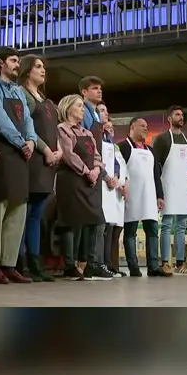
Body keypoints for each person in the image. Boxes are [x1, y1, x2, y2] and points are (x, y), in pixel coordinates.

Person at [0, 46, 36, 284]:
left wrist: (31, 140)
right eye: (13, 60)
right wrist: (20, 141)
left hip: (21, 154)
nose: (17, 65)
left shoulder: (18, 91)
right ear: (0, 63)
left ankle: (9, 264)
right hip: (2, 150)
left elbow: (28, 120)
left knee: (17, 211)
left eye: (18, 61)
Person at [55, 95, 112, 281]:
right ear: (68, 108)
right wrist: (87, 171)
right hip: (72, 179)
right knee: (71, 222)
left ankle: (86, 264)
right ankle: (70, 265)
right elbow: (68, 154)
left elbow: (96, 155)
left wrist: (96, 170)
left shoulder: (87, 133)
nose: (82, 109)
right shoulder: (62, 129)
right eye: (79, 106)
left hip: (90, 181)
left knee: (93, 220)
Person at [18, 55, 61, 282]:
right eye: (38, 67)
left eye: (44, 66)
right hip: (32, 159)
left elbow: (54, 130)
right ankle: (21, 262)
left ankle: (35, 262)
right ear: (27, 71)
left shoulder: (45, 99)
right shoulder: (22, 95)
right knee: (24, 214)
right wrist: (46, 151)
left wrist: (59, 151)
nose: (43, 70)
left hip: (49, 161)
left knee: (36, 215)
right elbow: (28, 129)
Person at [118, 117, 169, 277]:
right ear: (132, 127)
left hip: (149, 196)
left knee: (153, 230)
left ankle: (153, 266)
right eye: (142, 126)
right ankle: (133, 267)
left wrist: (159, 195)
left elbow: (156, 175)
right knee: (130, 231)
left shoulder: (151, 151)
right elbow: (119, 171)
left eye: (147, 126)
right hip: (130, 195)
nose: (146, 129)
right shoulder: (123, 147)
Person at [152, 105, 187, 275]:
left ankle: (181, 262)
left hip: (183, 187)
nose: (180, 117)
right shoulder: (162, 139)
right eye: (177, 114)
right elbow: (156, 166)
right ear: (169, 118)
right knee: (167, 225)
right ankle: (165, 262)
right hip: (168, 185)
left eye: (182, 115)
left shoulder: (185, 138)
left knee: (182, 226)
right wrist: (159, 192)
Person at [78, 78, 111, 271]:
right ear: (84, 91)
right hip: (86, 169)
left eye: (100, 88)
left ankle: (93, 262)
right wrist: (89, 168)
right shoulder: (83, 112)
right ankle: (86, 262)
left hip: (96, 168)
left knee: (97, 220)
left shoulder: (96, 116)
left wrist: (100, 169)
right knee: (91, 220)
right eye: (94, 88)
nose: (99, 91)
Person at [100, 117, 129, 276]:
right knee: (106, 229)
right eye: (108, 127)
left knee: (114, 231)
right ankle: (105, 263)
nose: (110, 129)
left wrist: (119, 179)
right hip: (106, 187)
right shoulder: (99, 140)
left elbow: (118, 165)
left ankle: (112, 264)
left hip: (116, 191)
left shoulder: (113, 145)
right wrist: (114, 181)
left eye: (112, 127)